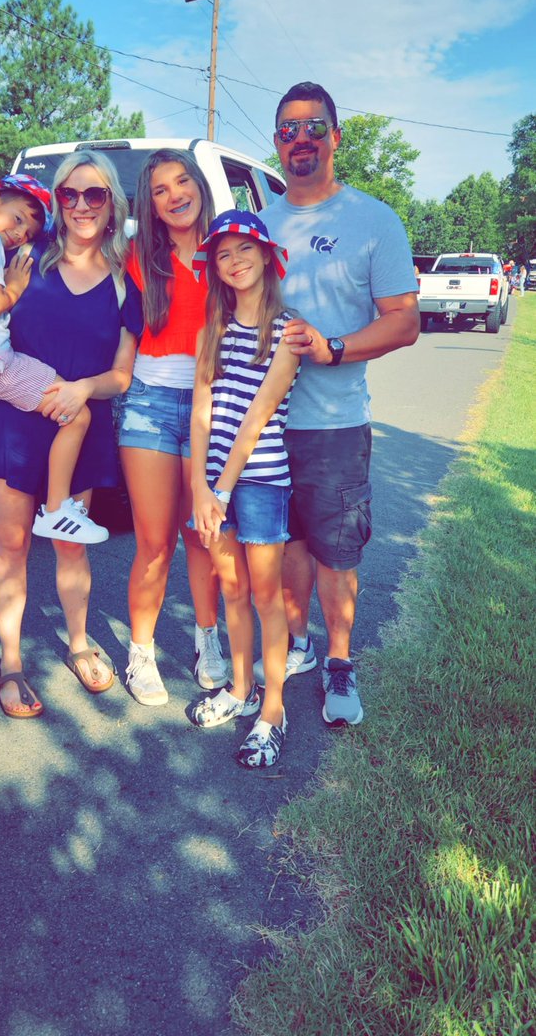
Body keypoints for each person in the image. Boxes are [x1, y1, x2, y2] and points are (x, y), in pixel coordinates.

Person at [0, 151, 143, 717]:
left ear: (112, 204)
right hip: (9, 425)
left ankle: (77, 643)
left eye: (93, 194)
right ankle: (11, 663)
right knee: (15, 545)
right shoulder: (22, 256)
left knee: (70, 544)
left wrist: (83, 389)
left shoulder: (125, 284)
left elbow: (122, 375)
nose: (79, 205)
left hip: (75, 422)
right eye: (68, 195)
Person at [259, 81, 420, 726]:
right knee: (290, 541)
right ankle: (297, 645)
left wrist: (332, 346)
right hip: (265, 421)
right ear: (277, 143)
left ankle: (339, 664)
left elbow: (404, 321)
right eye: (288, 130)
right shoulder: (261, 223)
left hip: (334, 422)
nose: (301, 139)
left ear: (335, 136)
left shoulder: (373, 220)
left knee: (337, 549)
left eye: (313, 126)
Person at [0, 173, 105, 544]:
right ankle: (57, 509)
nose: (20, 233)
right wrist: (15, 288)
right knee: (77, 412)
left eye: (28, 231)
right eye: (19, 218)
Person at [189, 210, 300, 768]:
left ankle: (273, 709)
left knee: (264, 595)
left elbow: (260, 413)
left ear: (266, 256)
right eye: (223, 255)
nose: (234, 262)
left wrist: (223, 488)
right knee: (230, 590)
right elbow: (201, 410)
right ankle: (239, 688)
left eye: (244, 250)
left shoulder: (289, 328)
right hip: (213, 482)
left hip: (257, 481)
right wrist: (198, 486)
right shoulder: (212, 326)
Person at [119, 150, 223, 706]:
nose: (175, 194)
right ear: (150, 204)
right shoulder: (139, 257)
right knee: (154, 543)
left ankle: (209, 642)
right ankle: (141, 653)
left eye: (182, 181)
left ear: (200, 186)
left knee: (202, 535)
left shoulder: (227, 249)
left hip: (214, 403)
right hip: (150, 403)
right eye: (160, 189)